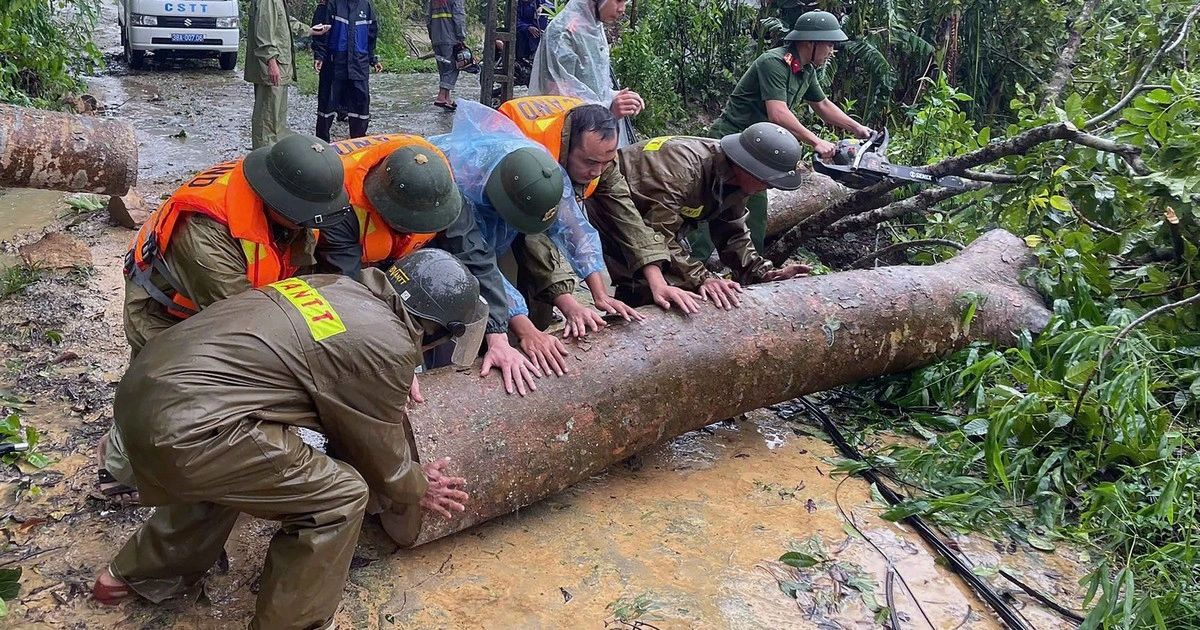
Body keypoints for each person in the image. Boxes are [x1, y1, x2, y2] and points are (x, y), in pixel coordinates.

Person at [90, 249, 486, 630]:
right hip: (185, 429)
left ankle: (139, 574)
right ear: (441, 330)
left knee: (246, 469)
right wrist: (417, 485)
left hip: (145, 394)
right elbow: (378, 454)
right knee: (340, 497)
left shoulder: (335, 286)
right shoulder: (389, 343)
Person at [100, 134, 351, 502]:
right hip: (164, 309)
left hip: (232, 295)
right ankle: (117, 466)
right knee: (157, 386)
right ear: (276, 199)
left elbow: (300, 276)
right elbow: (243, 322)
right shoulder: (207, 231)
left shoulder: (293, 205)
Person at [318, 133, 544, 395]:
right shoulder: (343, 203)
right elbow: (345, 289)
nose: (411, 232)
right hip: (342, 257)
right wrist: (387, 359)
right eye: (406, 225)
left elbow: (476, 258)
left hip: (398, 252)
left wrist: (498, 336)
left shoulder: (440, 192)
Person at [431, 100, 641, 378]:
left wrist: (599, 295)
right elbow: (476, 260)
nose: (597, 171)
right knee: (448, 300)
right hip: (436, 224)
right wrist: (526, 329)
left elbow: (574, 230)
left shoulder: (543, 169)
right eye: (590, 162)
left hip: (497, 208)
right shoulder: (461, 189)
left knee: (502, 298)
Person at [692, 10, 873, 260]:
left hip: (757, 151)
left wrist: (858, 128)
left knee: (755, 211)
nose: (832, 51)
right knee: (711, 203)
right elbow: (778, 113)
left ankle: (749, 270)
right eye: (829, 44)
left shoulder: (806, 70)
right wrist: (816, 141)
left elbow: (822, 105)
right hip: (731, 141)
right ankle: (690, 267)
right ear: (810, 42)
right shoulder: (774, 63)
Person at [498, 95, 703, 314]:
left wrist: (657, 283)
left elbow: (627, 216)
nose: (597, 172)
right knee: (508, 284)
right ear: (568, 147)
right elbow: (534, 235)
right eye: (590, 162)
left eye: (605, 163)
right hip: (507, 190)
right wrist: (569, 304)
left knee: (542, 307)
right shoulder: (532, 156)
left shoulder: (598, 155)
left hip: (543, 175)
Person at [598, 124, 814, 309]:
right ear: (749, 168)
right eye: (767, 180)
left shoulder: (737, 178)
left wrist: (761, 273)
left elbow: (732, 233)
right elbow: (656, 234)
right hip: (607, 201)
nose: (768, 187)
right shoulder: (680, 170)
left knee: (672, 283)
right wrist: (702, 278)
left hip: (648, 219)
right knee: (647, 282)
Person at [529, 0, 644, 145]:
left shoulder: (593, 26)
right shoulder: (564, 31)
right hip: (568, 142)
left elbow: (594, 86)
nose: (622, 9)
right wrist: (609, 109)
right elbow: (558, 97)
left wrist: (617, 97)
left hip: (593, 135)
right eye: (618, 0)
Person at [246, 0, 329, 148]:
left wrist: (309, 30)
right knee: (267, 119)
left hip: (280, 67)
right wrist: (271, 61)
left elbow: (285, 21)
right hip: (273, 68)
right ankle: (264, 154)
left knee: (276, 119)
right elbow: (263, 31)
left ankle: (274, 151)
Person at [311, 0, 382, 141]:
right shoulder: (331, 4)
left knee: (361, 105)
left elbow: (371, 36)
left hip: (359, 64)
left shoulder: (366, 6)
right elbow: (320, 32)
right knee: (327, 104)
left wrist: (372, 59)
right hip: (334, 63)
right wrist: (319, 55)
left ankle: (359, 142)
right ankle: (322, 144)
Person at [428, 0, 467, 111]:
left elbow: (428, 18)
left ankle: (447, 98)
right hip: (450, 37)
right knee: (452, 67)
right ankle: (441, 96)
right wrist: (461, 37)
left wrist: (432, 36)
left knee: (443, 67)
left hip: (436, 37)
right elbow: (458, 17)